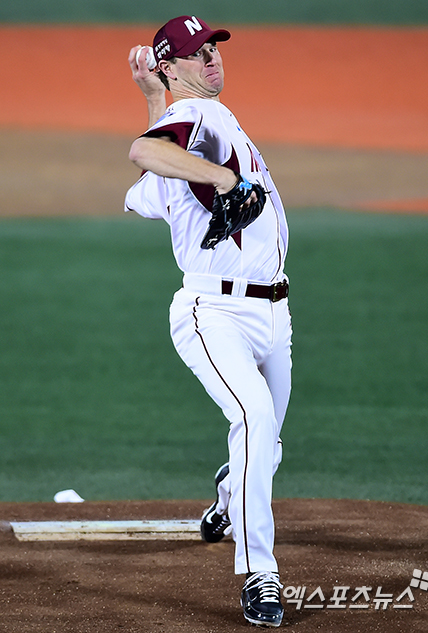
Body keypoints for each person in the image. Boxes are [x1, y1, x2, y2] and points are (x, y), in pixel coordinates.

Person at [125, 15, 292, 628]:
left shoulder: (210, 124)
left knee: (267, 443)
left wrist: (152, 98)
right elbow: (145, 151)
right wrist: (224, 178)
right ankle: (260, 575)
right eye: (198, 53)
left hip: (273, 316)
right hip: (213, 313)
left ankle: (228, 497)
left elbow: (158, 170)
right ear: (173, 68)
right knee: (254, 419)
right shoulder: (201, 117)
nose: (213, 58)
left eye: (214, 48)